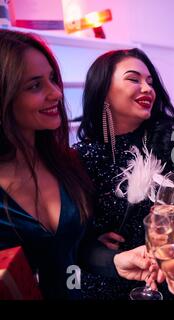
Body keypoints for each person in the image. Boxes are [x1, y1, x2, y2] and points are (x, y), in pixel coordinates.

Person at [74, 48, 174, 299]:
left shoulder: (173, 142)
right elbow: (72, 236)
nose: (147, 88)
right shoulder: (80, 156)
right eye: (133, 79)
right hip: (104, 281)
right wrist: (94, 244)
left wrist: (168, 235)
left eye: (150, 82)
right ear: (103, 89)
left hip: (159, 276)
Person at [0, 29, 92, 299]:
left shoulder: (67, 162)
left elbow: (76, 256)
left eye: (53, 79)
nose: (56, 94)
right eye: (35, 86)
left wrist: (116, 261)